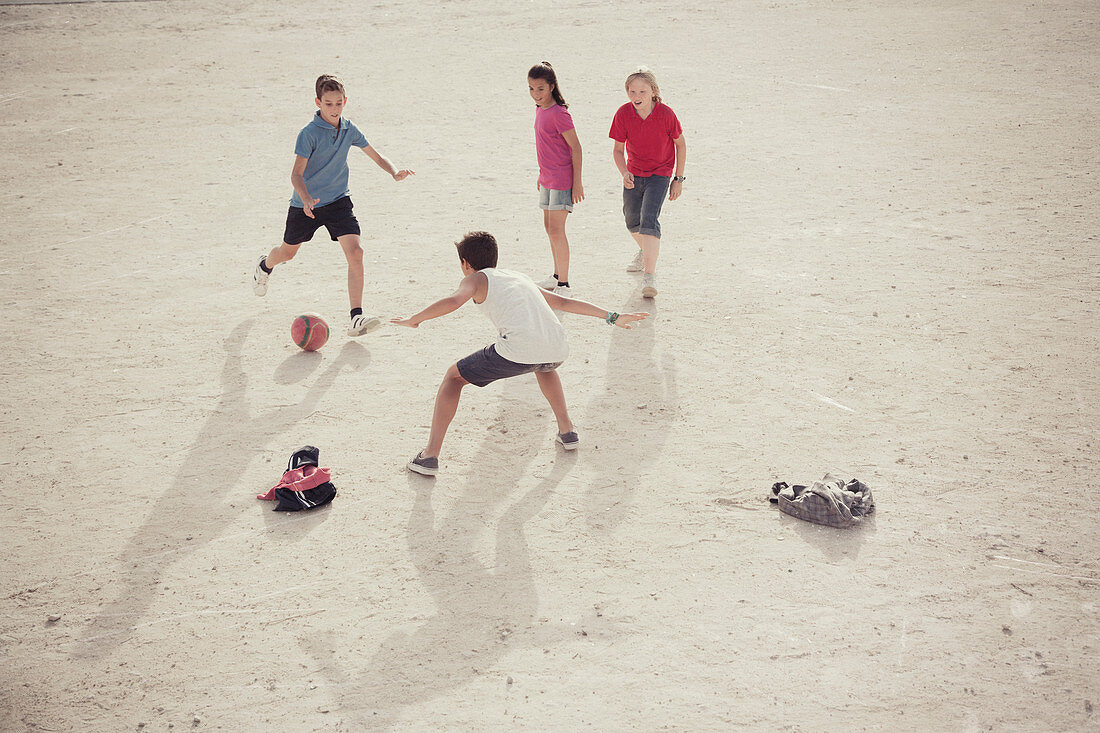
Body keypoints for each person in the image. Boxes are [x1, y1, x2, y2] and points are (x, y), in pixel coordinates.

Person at [391, 231, 648, 476]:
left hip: (518, 350)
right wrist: (612, 317)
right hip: (557, 347)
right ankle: (567, 431)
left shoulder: (475, 279)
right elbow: (563, 302)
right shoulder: (517, 276)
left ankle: (429, 456)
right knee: (544, 366)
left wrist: (415, 319)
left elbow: (453, 301)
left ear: (465, 263)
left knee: (453, 378)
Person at [252, 74, 414, 336]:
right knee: (287, 254)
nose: (334, 109)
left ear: (345, 101)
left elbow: (375, 155)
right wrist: (305, 198)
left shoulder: (349, 128)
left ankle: (356, 318)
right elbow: (296, 174)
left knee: (356, 253)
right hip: (306, 205)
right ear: (318, 102)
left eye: (339, 103)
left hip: (338, 200)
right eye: (328, 104)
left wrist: (394, 172)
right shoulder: (308, 134)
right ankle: (265, 265)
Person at [608, 68, 686, 299]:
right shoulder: (623, 114)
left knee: (649, 220)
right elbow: (618, 150)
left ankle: (649, 277)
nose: (636, 95)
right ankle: (645, 250)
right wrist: (624, 172)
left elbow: (681, 145)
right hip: (634, 173)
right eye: (632, 91)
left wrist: (678, 179)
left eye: (642, 90)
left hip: (660, 174)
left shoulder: (666, 114)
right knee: (632, 221)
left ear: (653, 92)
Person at [528, 62, 584, 297]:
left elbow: (576, 148)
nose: (535, 94)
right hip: (547, 179)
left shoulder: (560, 114)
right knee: (549, 228)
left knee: (557, 230)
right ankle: (555, 276)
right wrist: (541, 174)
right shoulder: (540, 109)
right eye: (531, 89)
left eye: (540, 89)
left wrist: (577, 183)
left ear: (551, 86)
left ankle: (564, 284)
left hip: (562, 180)